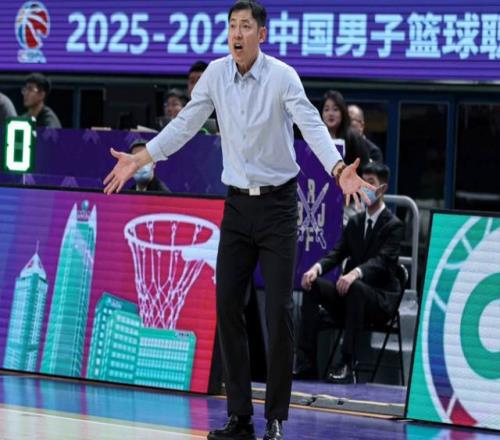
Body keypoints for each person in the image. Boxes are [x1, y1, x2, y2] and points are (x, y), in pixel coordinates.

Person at [103, 2, 374, 439]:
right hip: (236, 206)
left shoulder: (282, 77)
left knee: (278, 310)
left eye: (246, 26)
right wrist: (143, 157)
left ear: (261, 34)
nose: (237, 33)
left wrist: (339, 169)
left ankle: (275, 418)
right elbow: (186, 124)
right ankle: (240, 416)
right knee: (227, 305)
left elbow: (311, 125)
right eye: (232, 26)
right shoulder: (215, 75)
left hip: (279, 206)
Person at [296, 162, 404, 384]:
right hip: (352, 298)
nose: (364, 187)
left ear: (382, 188)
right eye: (362, 181)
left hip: (379, 300)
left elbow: (382, 262)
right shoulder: (355, 222)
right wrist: (316, 268)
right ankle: (307, 363)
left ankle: (346, 363)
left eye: (370, 183)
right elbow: (337, 253)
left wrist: (355, 273)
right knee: (312, 285)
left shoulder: (393, 225)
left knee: (355, 288)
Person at [321, 90, 370, 168]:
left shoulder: (354, 138)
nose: (330, 113)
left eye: (335, 109)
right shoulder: (316, 137)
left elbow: (364, 168)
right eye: (326, 110)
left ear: (342, 113)